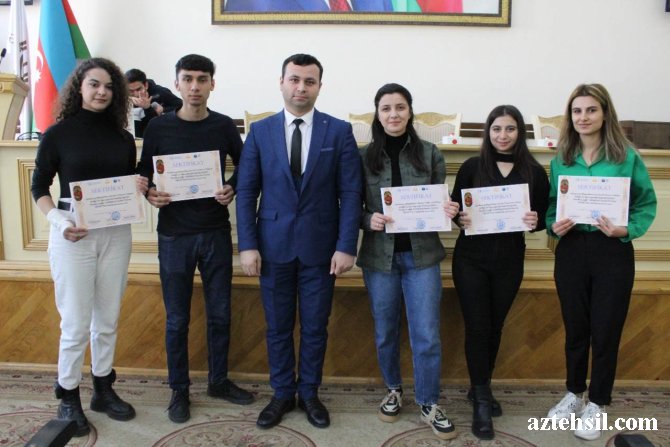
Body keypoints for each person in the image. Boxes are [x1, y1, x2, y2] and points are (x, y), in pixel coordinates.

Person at [236, 53, 362, 430]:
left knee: (315, 326)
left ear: (319, 86)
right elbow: (246, 191)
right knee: (276, 326)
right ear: (281, 83)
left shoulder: (338, 131)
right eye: (294, 79)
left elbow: (351, 193)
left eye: (309, 81)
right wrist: (247, 244)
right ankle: (281, 393)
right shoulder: (259, 132)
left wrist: (346, 245)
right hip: (271, 247)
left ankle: (308, 392)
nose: (301, 87)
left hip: (322, 250)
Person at [31, 57, 148, 436]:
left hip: (115, 233)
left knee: (108, 318)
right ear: (79, 87)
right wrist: (59, 221)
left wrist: (138, 187)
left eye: (109, 87)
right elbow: (39, 188)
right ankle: (67, 394)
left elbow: (122, 185)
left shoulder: (123, 137)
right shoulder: (58, 134)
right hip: (72, 233)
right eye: (94, 84)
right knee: (77, 323)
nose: (101, 92)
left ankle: (103, 388)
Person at [136, 54, 253, 424]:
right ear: (176, 83)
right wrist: (150, 193)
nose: (195, 86)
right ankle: (179, 390)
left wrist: (232, 188)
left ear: (212, 84)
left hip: (215, 231)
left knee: (220, 315)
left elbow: (247, 165)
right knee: (177, 320)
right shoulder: (158, 128)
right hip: (173, 235)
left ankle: (218, 381)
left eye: (202, 79)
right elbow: (143, 174)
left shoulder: (222, 126)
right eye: (188, 79)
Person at [546, 84, 656, 441]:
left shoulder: (626, 156)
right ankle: (574, 393)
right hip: (572, 251)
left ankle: (598, 402)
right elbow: (551, 208)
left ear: (605, 113)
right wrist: (554, 224)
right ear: (570, 117)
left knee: (606, 330)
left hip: (613, 251)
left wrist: (627, 228)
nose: (583, 117)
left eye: (591, 110)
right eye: (577, 111)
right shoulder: (561, 159)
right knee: (576, 328)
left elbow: (646, 204)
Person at [357, 83, 459, 441]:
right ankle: (394, 389)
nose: (394, 115)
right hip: (378, 259)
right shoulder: (363, 156)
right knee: (385, 331)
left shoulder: (430, 154)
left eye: (400, 107)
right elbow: (350, 206)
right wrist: (366, 217)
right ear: (378, 114)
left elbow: (439, 205)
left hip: (422, 258)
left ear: (410, 111)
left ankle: (429, 401)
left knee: (427, 334)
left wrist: (448, 210)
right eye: (386, 109)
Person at [450, 105, 549, 440]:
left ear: (520, 132)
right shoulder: (472, 167)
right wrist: (459, 217)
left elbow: (543, 217)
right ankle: (480, 399)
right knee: (478, 327)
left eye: (509, 129)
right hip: (471, 260)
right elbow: (454, 210)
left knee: (494, 327)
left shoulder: (535, 172)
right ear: (487, 132)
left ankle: (482, 385)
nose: (502, 136)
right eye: (496, 129)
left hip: (509, 261)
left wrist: (536, 222)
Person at [125, 68, 182, 138]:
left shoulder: (161, 92)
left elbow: (181, 106)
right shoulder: (122, 96)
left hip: (157, 134)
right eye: (131, 91)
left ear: (146, 85)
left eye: (138, 89)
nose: (136, 94)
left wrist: (163, 110)